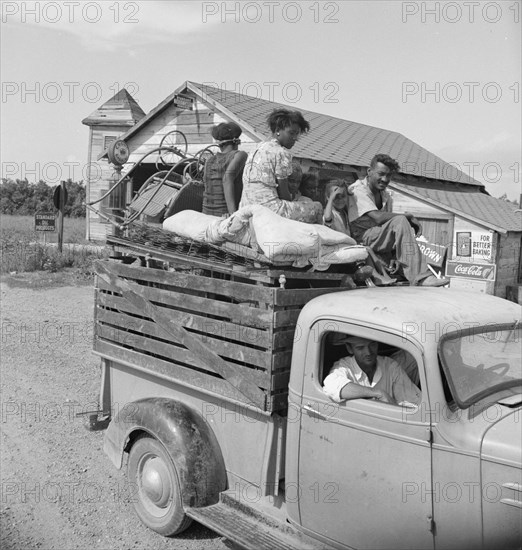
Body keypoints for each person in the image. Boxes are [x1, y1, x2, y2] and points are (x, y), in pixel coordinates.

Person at [348, 154, 449, 287]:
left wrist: (395, 257)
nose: (384, 179)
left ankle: (412, 271)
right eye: (381, 174)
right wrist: (408, 217)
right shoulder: (357, 190)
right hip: (362, 238)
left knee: (399, 222)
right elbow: (378, 218)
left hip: (379, 240)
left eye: (389, 175)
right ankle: (421, 277)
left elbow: (392, 229)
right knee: (400, 220)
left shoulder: (386, 196)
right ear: (369, 171)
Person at [239, 109, 313, 221]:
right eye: (291, 133)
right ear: (278, 130)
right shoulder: (281, 152)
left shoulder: (256, 148)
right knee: (316, 208)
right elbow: (284, 193)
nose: (295, 138)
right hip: (269, 209)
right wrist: (291, 204)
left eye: (297, 134)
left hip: (245, 206)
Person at [322, 179, 395, 285]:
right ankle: (377, 277)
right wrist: (331, 198)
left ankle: (384, 274)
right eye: (336, 197)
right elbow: (327, 217)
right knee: (364, 251)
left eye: (343, 196)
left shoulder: (345, 214)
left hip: (346, 247)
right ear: (328, 197)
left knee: (368, 249)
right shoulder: (331, 213)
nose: (340, 200)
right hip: (336, 249)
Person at [323, 335, 422, 406]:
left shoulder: (390, 366)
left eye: (372, 345)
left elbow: (414, 401)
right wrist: (377, 393)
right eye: (360, 348)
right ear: (350, 349)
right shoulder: (344, 366)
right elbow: (332, 386)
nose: (368, 352)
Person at [202, 122, 248, 216]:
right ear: (237, 141)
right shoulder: (240, 155)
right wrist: (233, 214)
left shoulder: (210, 160)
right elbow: (227, 180)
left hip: (206, 211)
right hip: (225, 213)